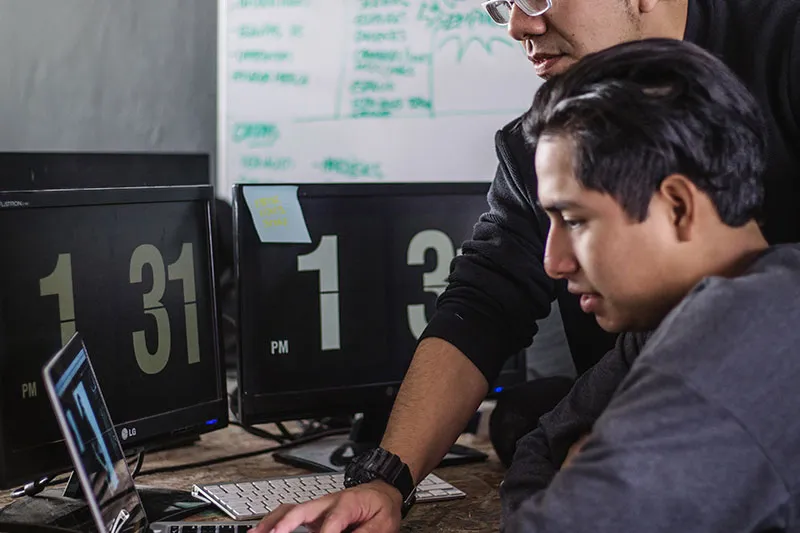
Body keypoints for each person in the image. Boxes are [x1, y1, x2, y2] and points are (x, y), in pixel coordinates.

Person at [256, 0, 800, 531]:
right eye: (504, 3)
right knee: (522, 418)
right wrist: (384, 479)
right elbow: (484, 301)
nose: (517, 25)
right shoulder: (546, 145)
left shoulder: (785, 44)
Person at [502, 37, 800, 531]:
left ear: (678, 207)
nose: (553, 262)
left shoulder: (744, 332)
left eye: (574, 219)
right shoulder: (663, 322)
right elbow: (538, 446)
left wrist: (576, 481)